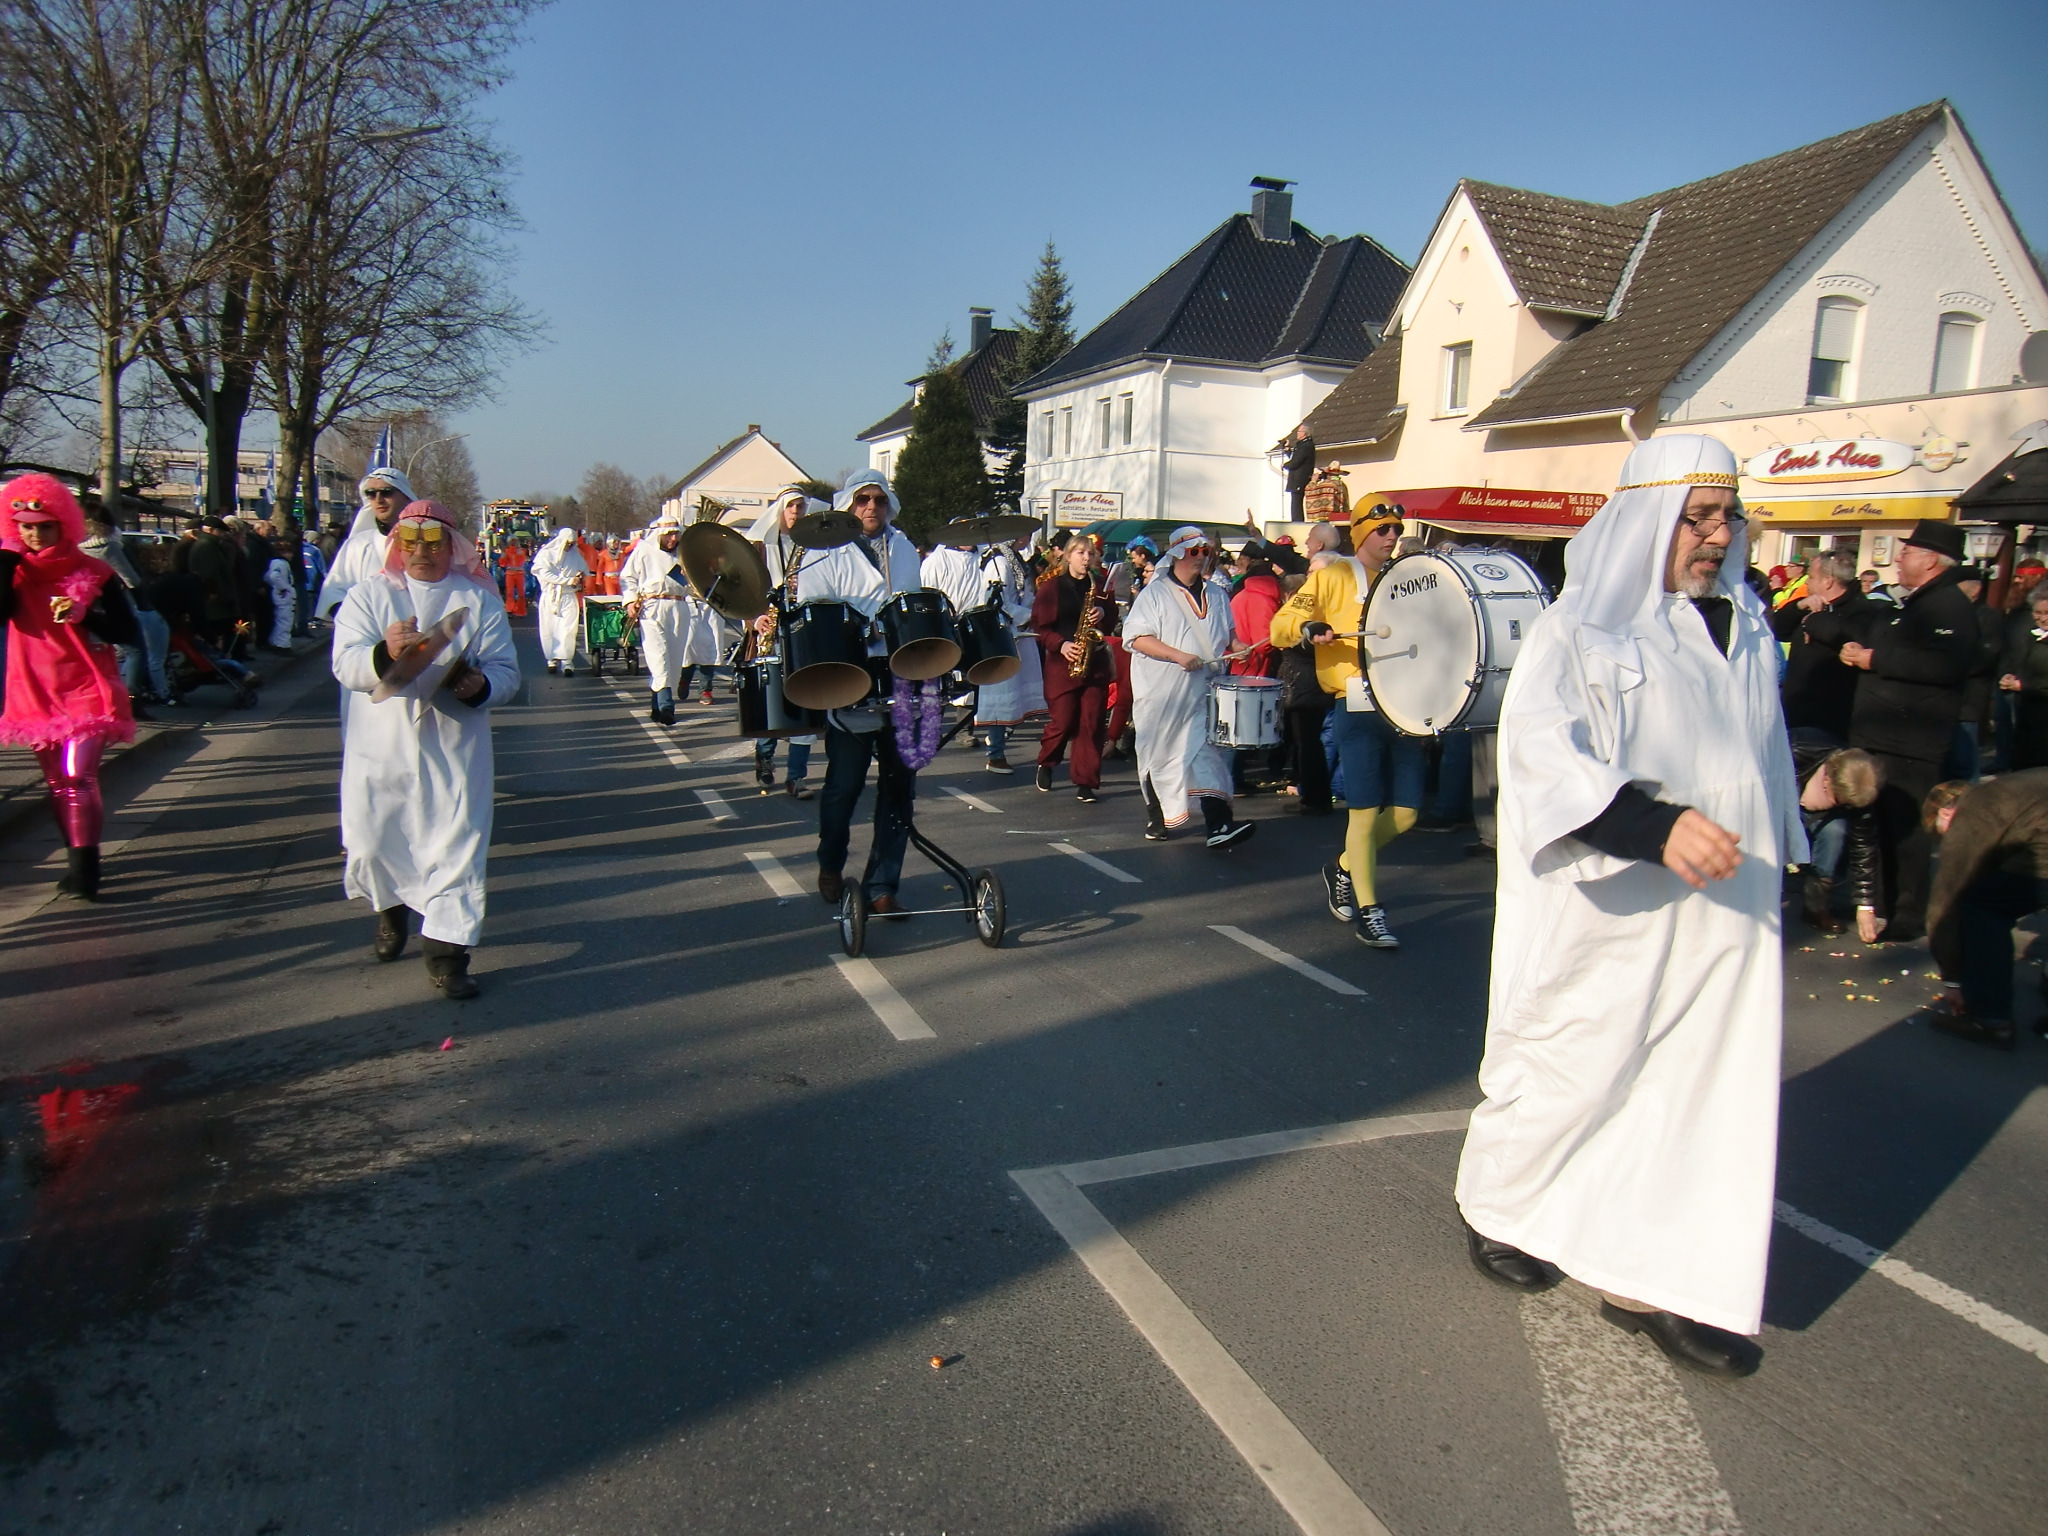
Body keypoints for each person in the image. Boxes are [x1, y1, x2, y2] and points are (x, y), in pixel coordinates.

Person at [1455, 433, 1802, 1380]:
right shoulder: (1580, 630)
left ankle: (1649, 1278)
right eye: (1697, 518)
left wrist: (1792, 824)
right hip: (1612, 903)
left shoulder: (1746, 623)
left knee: (1696, 1087)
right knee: (1578, 1064)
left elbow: (1756, 747)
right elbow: (1541, 754)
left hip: (1726, 902)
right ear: (1649, 520)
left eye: (1727, 517)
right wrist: (1652, 826)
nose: (1717, 536)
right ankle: (1502, 1206)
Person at [330, 499, 520, 999]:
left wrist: (479, 685)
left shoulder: (478, 601)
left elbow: (506, 671)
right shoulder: (368, 597)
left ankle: (446, 957)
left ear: (451, 546)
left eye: (432, 542)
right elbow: (345, 664)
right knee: (374, 843)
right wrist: (385, 652)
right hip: (380, 748)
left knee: (455, 847)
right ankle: (390, 909)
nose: (421, 552)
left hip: (454, 748)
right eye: (410, 541)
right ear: (397, 544)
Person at [1807, 519, 1978, 941]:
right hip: (1880, 734)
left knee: (1906, 830)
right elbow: (1886, 641)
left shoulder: (1949, 608)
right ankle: (1877, 902)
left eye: (1908, 552)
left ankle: (1907, 912)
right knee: (1875, 824)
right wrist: (1857, 649)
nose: (1898, 558)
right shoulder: (1911, 603)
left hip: (1911, 740)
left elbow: (1946, 665)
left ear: (1932, 561)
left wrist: (1876, 660)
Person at [1268, 502, 1425, 949]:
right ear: (1359, 532)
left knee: (1407, 814)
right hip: (1355, 704)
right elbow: (1282, 624)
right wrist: (1309, 626)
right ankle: (1370, 911)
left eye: (1395, 529)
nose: (1391, 536)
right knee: (1364, 812)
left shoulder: (1407, 578)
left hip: (1404, 703)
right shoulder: (1333, 576)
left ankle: (1342, 867)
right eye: (1382, 529)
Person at [0, 474, 140, 900]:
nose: (35, 534)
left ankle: (85, 871)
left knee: (78, 777)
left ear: (64, 524)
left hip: (85, 687)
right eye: (25, 526)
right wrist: (7, 556)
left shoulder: (95, 571)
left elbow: (128, 631)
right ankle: (76, 860)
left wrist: (85, 615)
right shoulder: (14, 572)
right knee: (57, 782)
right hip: (34, 690)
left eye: (45, 526)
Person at [797, 470, 929, 915]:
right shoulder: (825, 547)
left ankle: (882, 885)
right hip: (850, 674)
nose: (871, 507)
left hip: (900, 675)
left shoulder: (904, 547)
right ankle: (831, 861)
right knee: (844, 786)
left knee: (899, 789)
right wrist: (859, 629)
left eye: (879, 499)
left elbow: (913, 603)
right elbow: (814, 611)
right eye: (862, 499)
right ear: (849, 505)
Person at [1122, 526, 1253, 848]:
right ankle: (1157, 814)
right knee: (1158, 755)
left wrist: (1239, 646)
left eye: (1205, 551)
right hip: (1163, 693)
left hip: (1205, 691)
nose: (1201, 556)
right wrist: (1177, 655)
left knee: (1206, 754)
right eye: (1194, 551)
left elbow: (1228, 634)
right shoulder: (1155, 594)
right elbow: (1136, 638)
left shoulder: (1217, 595)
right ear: (1177, 553)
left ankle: (1218, 825)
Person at [1920, 773, 2048, 1049]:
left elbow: (1945, 900)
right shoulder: (2007, 792)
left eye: (1943, 836)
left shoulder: (1971, 813)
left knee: (1983, 907)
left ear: (1946, 813)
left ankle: (1991, 1019)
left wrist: (1953, 979)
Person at [748, 487, 823, 798]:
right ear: (780, 509)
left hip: (804, 628)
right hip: (772, 628)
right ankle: (765, 758)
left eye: (801, 506)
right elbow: (747, 589)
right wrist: (755, 618)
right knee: (772, 701)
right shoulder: (762, 547)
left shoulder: (813, 545)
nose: (796, 512)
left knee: (806, 699)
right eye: (791, 506)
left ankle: (796, 776)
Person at [1032, 532, 1116, 802]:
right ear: (1068, 556)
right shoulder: (1051, 587)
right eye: (1080, 553)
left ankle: (1085, 782)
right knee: (1063, 721)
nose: (1086, 558)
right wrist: (1061, 645)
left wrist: (1104, 613)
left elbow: (1111, 619)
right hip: (1062, 665)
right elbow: (1040, 628)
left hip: (1095, 663)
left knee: (1092, 723)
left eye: (1090, 553)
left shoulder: (1099, 586)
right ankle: (1047, 761)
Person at [1775, 550, 1882, 741]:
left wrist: (1815, 620)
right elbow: (1777, 628)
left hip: (1830, 716)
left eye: (1811, 577)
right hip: (1796, 708)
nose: (1806, 582)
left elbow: (1849, 635)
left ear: (1828, 581)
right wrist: (1798, 607)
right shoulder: (1808, 603)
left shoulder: (1860, 609)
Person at [1790, 730, 1883, 937]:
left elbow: (1864, 847)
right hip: (1781, 801)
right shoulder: (1797, 751)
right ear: (1827, 780)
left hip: (1817, 813)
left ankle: (1816, 905)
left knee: (1835, 831)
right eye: (1839, 800)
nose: (1843, 806)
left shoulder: (1860, 791)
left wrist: (1865, 906)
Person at [970, 534, 1045, 772]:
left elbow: (1024, 594)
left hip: (1019, 632)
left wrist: (1034, 609)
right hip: (1004, 634)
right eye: (1024, 534)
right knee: (1002, 693)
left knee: (1016, 695)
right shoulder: (999, 562)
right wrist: (1027, 615)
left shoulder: (1015, 561)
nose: (1028, 538)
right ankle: (995, 753)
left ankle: (998, 744)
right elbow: (996, 602)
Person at [620, 508, 692, 724]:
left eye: (676, 534)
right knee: (658, 655)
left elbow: (691, 581)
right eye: (669, 535)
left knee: (674, 659)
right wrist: (630, 600)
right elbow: (628, 577)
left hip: (679, 606)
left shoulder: (683, 554)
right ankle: (666, 706)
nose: (673, 539)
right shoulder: (644, 550)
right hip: (652, 606)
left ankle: (656, 706)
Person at [316, 468, 415, 621]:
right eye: (371, 493)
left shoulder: (425, 544)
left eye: (386, 492)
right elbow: (335, 589)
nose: (378, 499)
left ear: (405, 496)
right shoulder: (357, 545)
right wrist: (355, 620)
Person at [1998, 586, 2048, 769]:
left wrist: (2024, 685)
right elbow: (2017, 660)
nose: (2042, 618)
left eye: (2047, 613)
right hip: (2027, 712)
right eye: (2037, 612)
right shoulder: (2031, 635)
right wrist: (2009, 676)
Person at [531, 525, 589, 675]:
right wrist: (567, 580)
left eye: (572, 543)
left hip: (568, 596)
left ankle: (567, 661)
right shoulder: (546, 554)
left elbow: (583, 570)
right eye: (568, 543)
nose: (570, 546)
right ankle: (551, 659)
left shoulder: (575, 555)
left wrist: (579, 578)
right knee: (549, 628)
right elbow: (545, 574)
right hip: (550, 597)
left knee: (568, 629)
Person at [1281, 425, 1315, 522]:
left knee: (1296, 504)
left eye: (1299, 432)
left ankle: (1297, 523)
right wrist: (1288, 449)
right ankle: (1296, 522)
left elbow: (1296, 461)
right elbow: (1295, 457)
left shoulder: (1306, 446)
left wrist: (1285, 465)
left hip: (1300, 479)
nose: (1297, 433)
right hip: (1297, 479)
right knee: (1295, 503)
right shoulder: (1301, 445)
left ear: (1304, 433)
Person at [497, 536, 530, 618]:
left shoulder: (521, 551)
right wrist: (503, 555)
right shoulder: (507, 551)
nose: (513, 543)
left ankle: (520, 611)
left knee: (521, 593)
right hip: (510, 573)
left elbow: (523, 559)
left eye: (515, 541)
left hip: (520, 574)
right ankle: (510, 609)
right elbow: (502, 563)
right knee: (509, 593)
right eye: (512, 541)